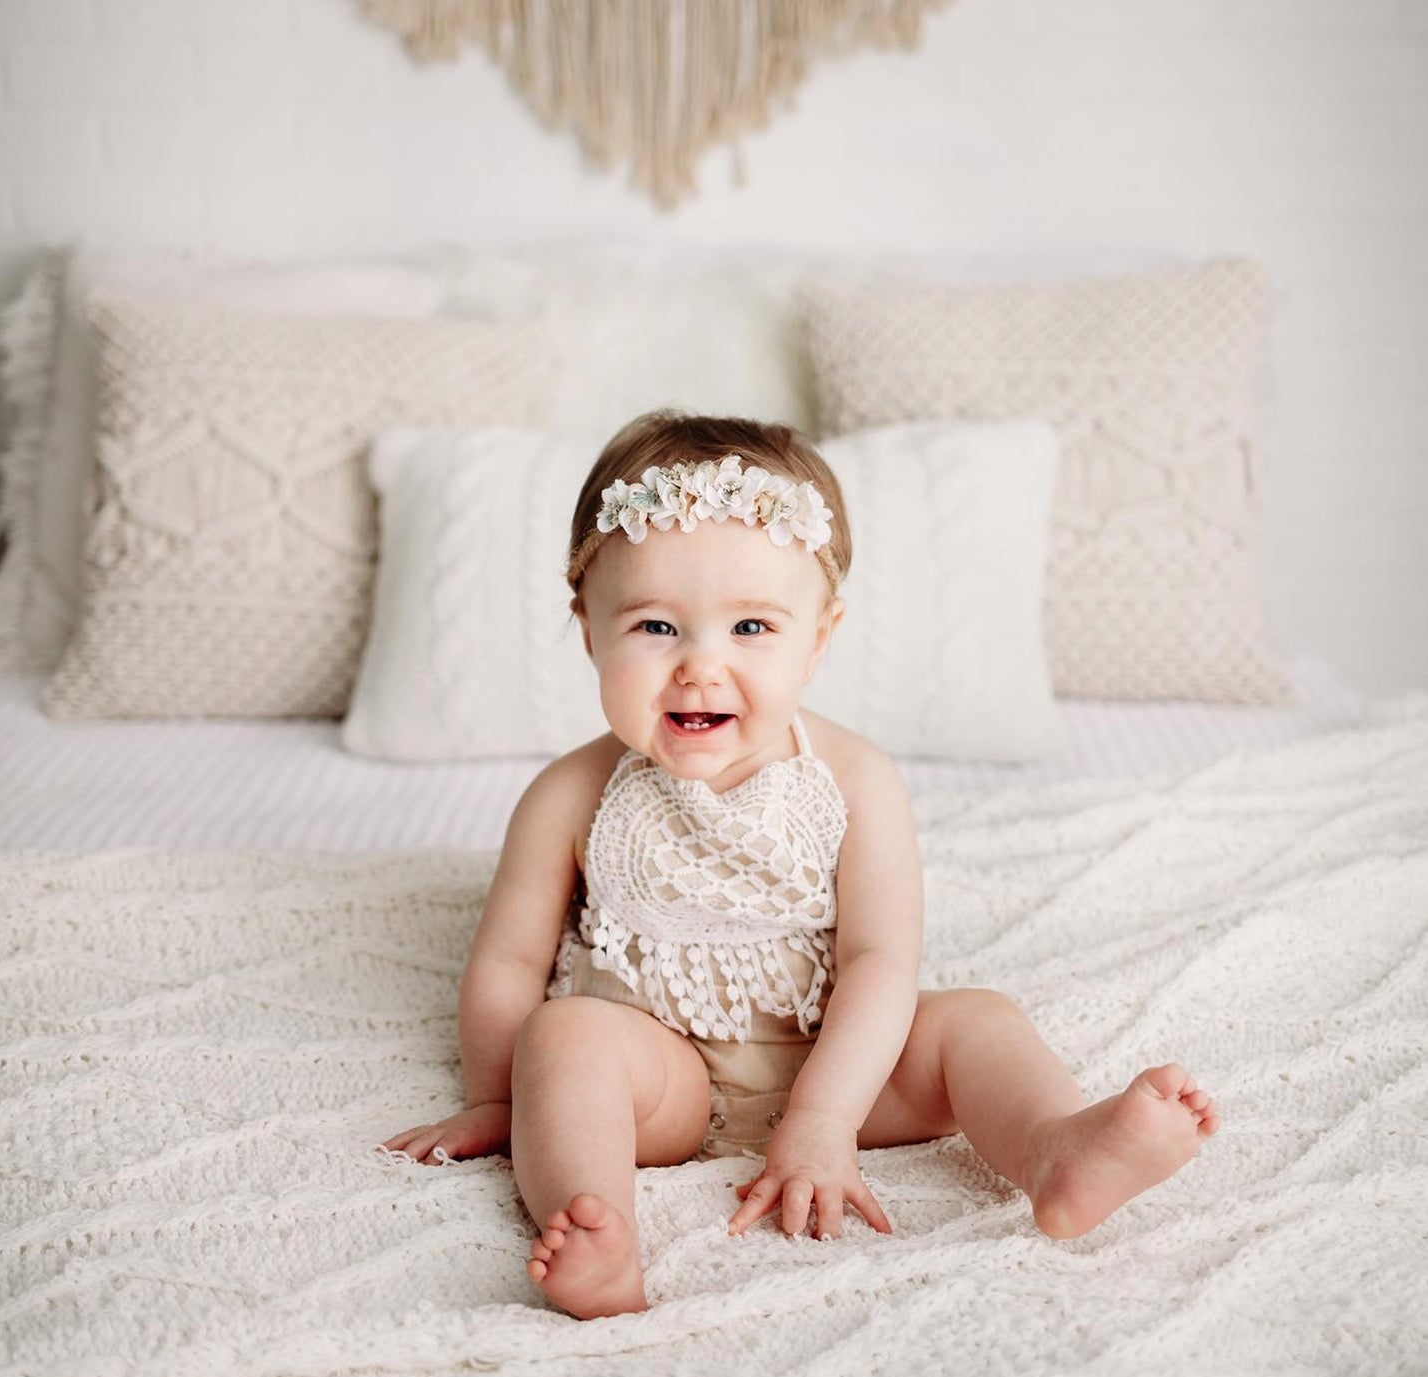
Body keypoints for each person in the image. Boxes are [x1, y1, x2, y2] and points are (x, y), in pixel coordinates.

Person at [381, 410, 1221, 1321]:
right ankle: (596, 1230)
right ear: (588, 632)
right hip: (663, 1086)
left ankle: (1056, 1151)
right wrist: (500, 1097)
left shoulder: (856, 779)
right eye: (657, 626)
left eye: (750, 626)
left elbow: (877, 961)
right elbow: (507, 962)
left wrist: (822, 1121)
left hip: (841, 1063)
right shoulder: (568, 795)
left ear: (818, 639)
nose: (702, 666)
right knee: (562, 1037)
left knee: (973, 1021)